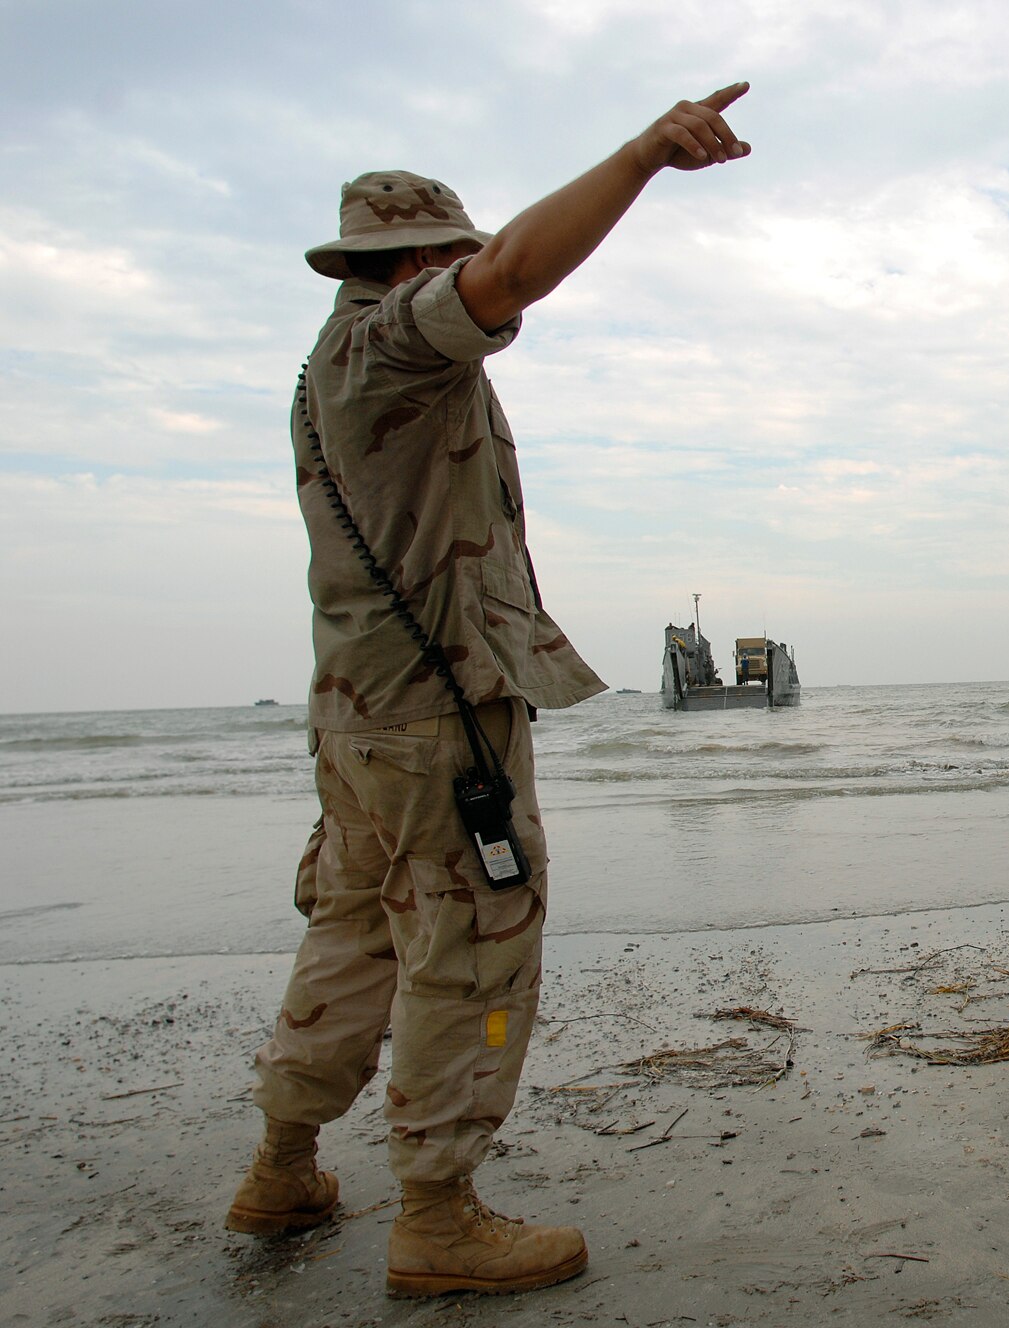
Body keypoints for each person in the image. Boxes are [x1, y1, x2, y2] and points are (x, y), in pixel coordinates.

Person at [227, 84, 753, 1299]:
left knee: (353, 931)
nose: (466, 276)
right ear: (411, 261)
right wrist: (641, 155)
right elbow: (514, 269)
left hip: (360, 717)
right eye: (447, 259)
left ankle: (283, 1162)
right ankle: (438, 1213)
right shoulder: (396, 339)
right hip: (432, 716)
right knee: (468, 946)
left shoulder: (325, 368)